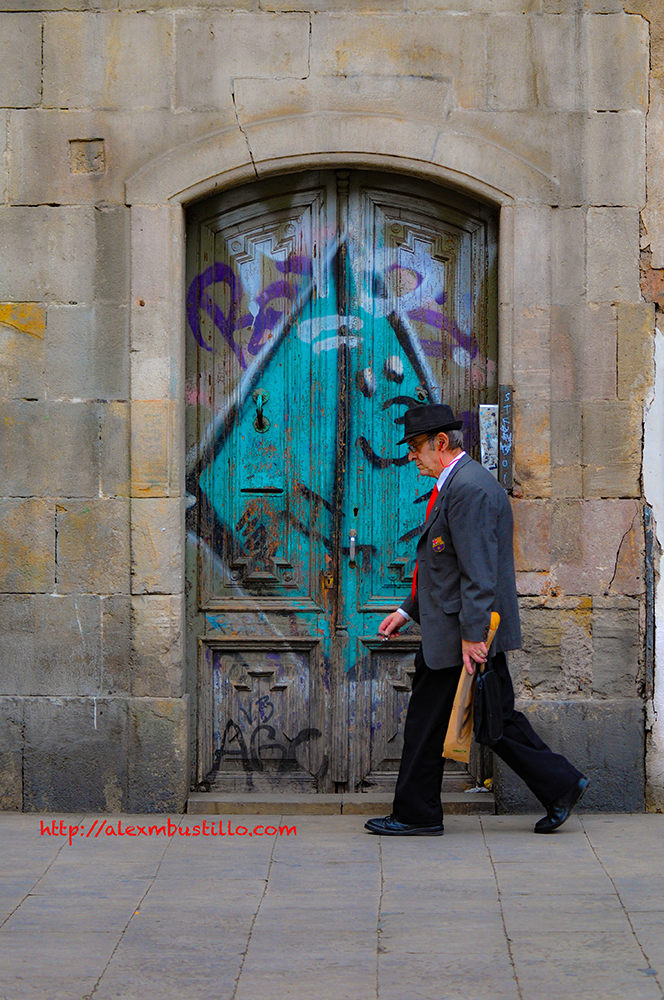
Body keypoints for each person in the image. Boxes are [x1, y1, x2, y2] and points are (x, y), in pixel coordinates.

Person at [365, 403, 588, 837]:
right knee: (494, 717)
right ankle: (561, 784)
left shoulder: (468, 488)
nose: (411, 457)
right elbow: (444, 568)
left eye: (415, 447)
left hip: (459, 635)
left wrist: (472, 637)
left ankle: (417, 814)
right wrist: (406, 610)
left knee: (430, 722)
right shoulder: (460, 484)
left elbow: (478, 572)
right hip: (458, 628)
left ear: (440, 443)